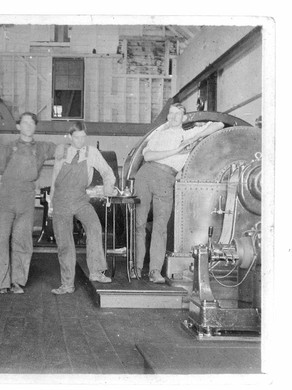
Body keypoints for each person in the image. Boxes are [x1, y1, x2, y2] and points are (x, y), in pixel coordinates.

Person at [134, 103, 224, 283]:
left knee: (160, 228)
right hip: (145, 175)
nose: (173, 116)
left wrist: (192, 138)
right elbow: (148, 156)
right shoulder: (158, 133)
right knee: (139, 223)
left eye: (178, 114)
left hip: (167, 178)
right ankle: (136, 267)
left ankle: (154, 271)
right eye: (171, 113)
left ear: (184, 118)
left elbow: (220, 124)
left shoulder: (187, 133)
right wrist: (176, 150)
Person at [0, 112, 58, 295]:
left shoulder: (42, 148)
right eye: (24, 123)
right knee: (2, 240)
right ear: (18, 126)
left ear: (35, 127)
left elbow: (63, 150)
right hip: (5, 198)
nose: (28, 126)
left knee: (22, 241)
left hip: (26, 199)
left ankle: (17, 282)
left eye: (31, 123)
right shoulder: (8, 148)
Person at [48, 121, 116, 295]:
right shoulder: (62, 151)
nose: (81, 141)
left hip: (80, 198)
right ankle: (67, 284)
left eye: (83, 137)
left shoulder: (91, 152)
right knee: (65, 242)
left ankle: (96, 271)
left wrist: (109, 185)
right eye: (77, 137)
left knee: (94, 226)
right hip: (61, 200)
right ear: (70, 137)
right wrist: (51, 203)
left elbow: (107, 172)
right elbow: (55, 177)